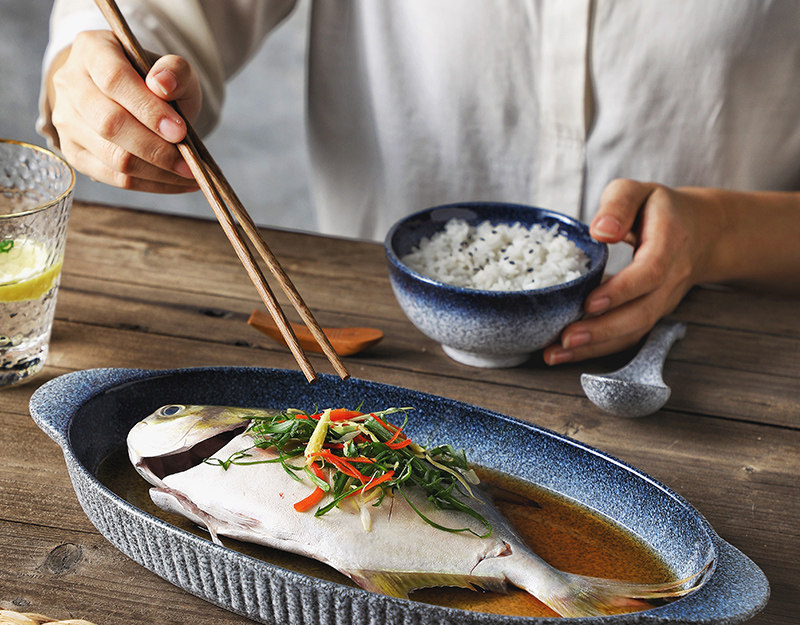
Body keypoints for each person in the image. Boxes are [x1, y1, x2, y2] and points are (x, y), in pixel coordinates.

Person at [38, 1, 800, 366]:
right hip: (387, 352)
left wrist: (723, 232)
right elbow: (155, 17)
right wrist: (101, 73)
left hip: (727, 364)